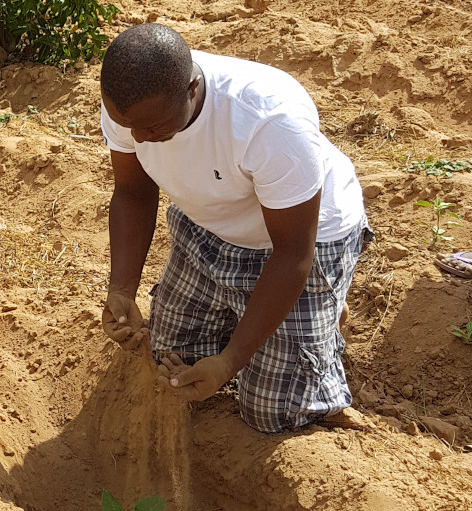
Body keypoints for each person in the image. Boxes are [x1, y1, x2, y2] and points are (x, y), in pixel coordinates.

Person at [98, 24, 370, 433]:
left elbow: (293, 253)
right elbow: (133, 193)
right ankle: (282, 319)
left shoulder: (268, 121)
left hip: (303, 241)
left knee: (273, 414)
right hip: (209, 227)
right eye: (127, 124)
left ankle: (321, 314)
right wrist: (121, 288)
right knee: (173, 368)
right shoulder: (134, 104)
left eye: (152, 129)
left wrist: (229, 362)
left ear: (191, 89)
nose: (138, 137)